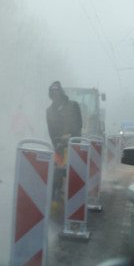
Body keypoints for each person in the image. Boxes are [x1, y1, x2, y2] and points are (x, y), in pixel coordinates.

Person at [45, 81, 82, 215]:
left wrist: (70, 136)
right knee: (55, 175)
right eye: (52, 95)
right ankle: (56, 204)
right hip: (59, 148)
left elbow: (79, 128)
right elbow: (51, 132)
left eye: (57, 94)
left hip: (73, 148)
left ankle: (72, 208)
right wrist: (57, 143)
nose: (55, 97)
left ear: (61, 94)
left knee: (70, 176)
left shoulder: (73, 106)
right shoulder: (49, 111)